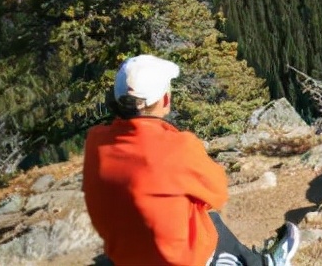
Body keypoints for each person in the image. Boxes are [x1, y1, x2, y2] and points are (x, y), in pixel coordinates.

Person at [83, 54, 301, 266]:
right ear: (165, 99)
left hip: (125, 258)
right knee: (210, 223)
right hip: (178, 259)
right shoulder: (178, 146)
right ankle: (265, 263)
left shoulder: (95, 142)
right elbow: (218, 193)